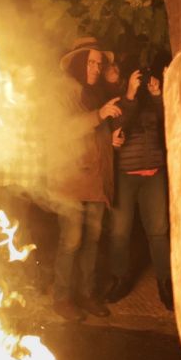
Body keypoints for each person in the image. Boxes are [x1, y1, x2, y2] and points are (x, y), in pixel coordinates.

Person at [50, 37, 122, 322]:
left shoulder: (94, 93)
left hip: (94, 179)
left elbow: (94, 131)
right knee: (72, 240)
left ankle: (86, 294)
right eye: (91, 62)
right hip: (70, 179)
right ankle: (62, 298)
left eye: (98, 63)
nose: (96, 67)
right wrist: (100, 115)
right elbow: (63, 130)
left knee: (92, 239)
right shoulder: (62, 92)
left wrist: (110, 140)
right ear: (79, 64)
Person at [106, 63, 173, 309]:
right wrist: (130, 96)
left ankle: (165, 283)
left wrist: (158, 95)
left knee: (158, 231)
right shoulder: (119, 100)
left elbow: (168, 122)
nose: (142, 80)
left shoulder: (151, 101)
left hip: (153, 173)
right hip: (125, 174)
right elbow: (118, 125)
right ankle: (120, 279)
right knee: (120, 232)